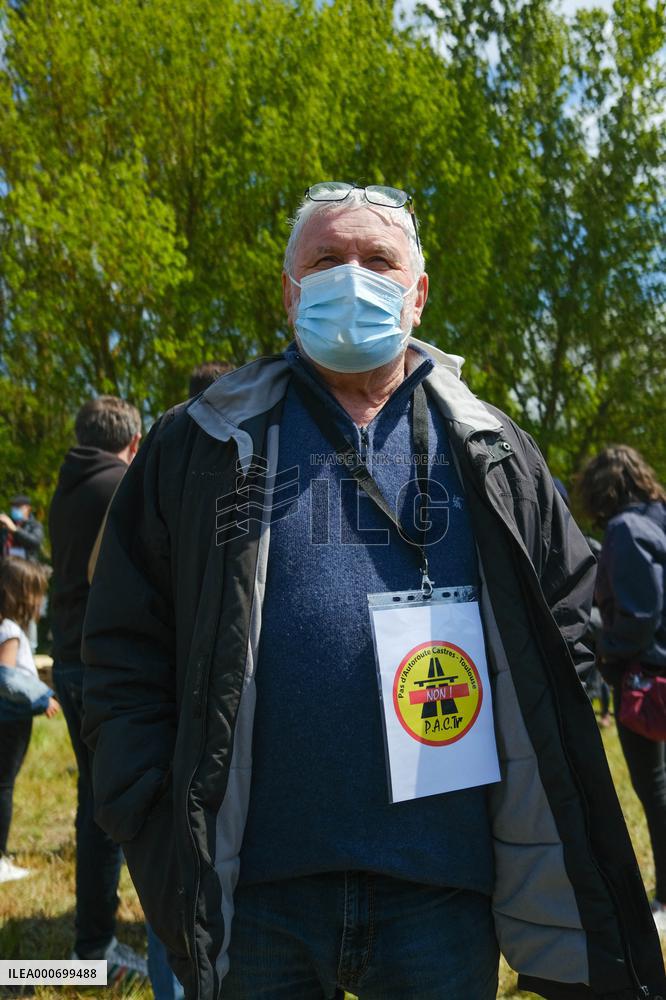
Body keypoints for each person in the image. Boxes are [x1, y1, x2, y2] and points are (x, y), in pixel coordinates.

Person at [81, 183, 665, 1000]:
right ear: (289, 292)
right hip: (255, 894)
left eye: (377, 260)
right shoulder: (204, 442)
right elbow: (121, 649)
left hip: (442, 894)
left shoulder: (495, 450)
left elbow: (567, 627)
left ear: (417, 294)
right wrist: (148, 813)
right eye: (325, 260)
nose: (351, 278)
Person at [48, 395, 146, 977]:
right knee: (113, 812)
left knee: (93, 807)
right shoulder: (118, 486)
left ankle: (92, 946)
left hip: (68, 659)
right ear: (131, 443)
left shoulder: (69, 484)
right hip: (103, 664)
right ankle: (96, 950)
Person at [578, 445, 666, 931]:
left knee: (654, 794)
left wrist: (601, 645)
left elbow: (638, 617)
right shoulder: (660, 518)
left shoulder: (624, 530)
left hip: (645, 681)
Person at [0, 556, 59, 884]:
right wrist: (41, 696)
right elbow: (7, 677)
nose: (40, 603)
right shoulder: (11, 630)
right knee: (4, 785)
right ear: (22, 595)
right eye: (37, 594)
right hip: (10, 720)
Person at [0, 495, 44, 563]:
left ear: (28, 508)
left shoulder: (35, 525)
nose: (14, 509)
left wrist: (15, 530)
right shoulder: (7, 524)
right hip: (7, 566)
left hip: (26, 568)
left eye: (18, 507)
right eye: (13, 507)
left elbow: (35, 542)